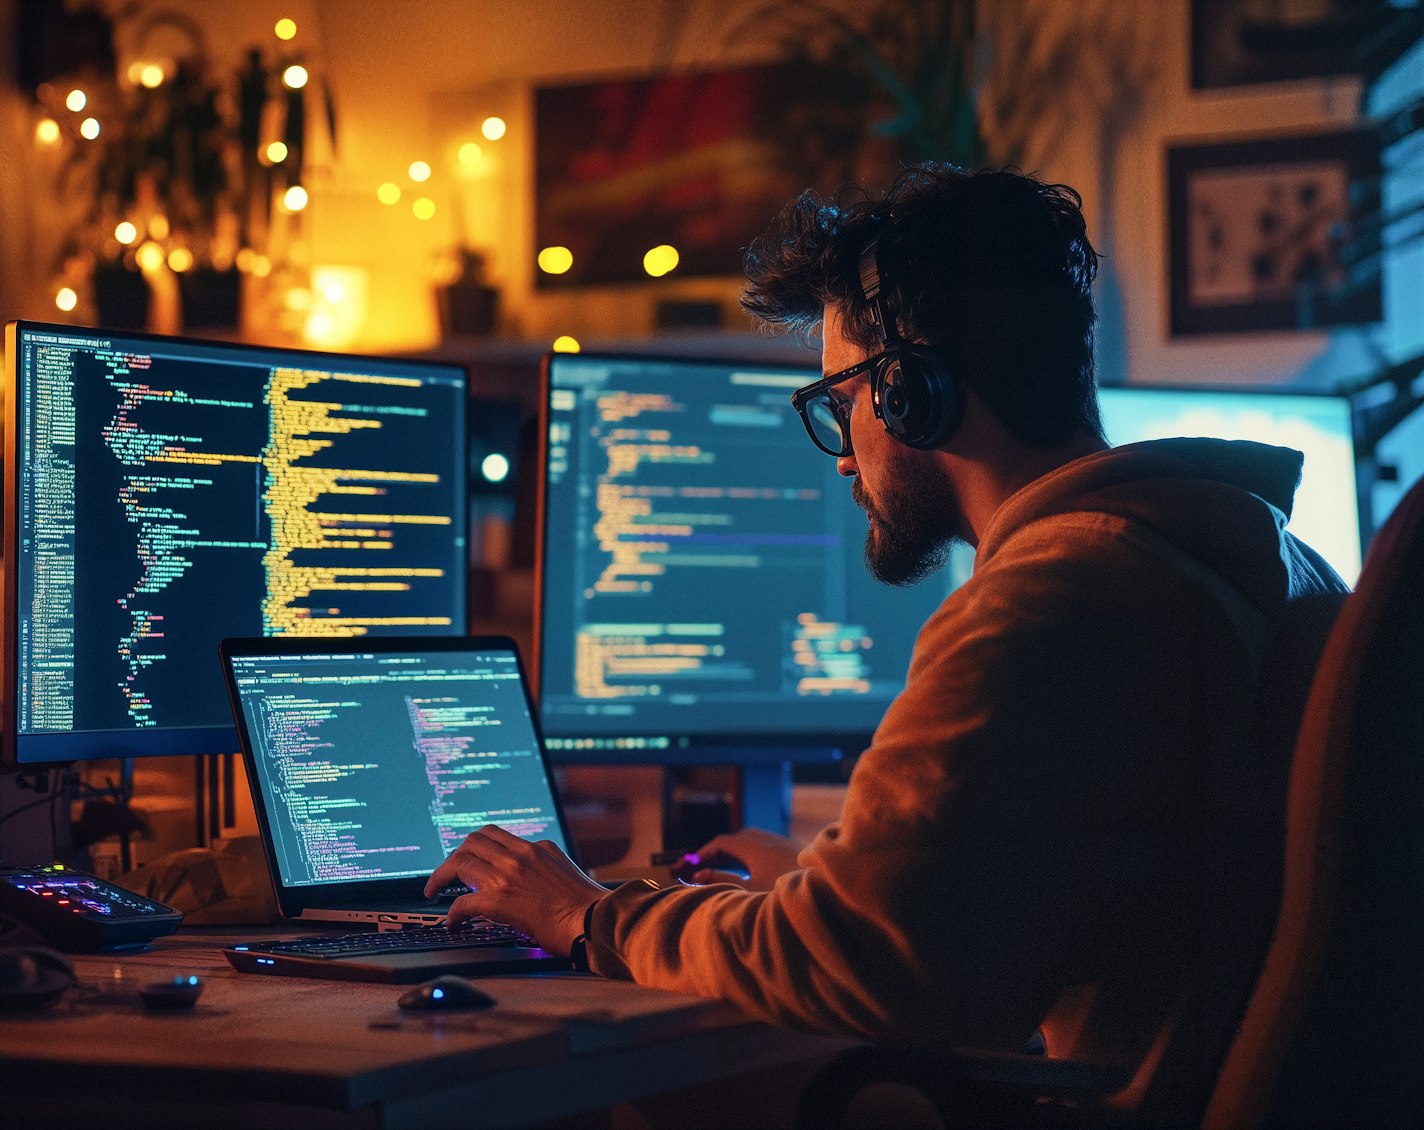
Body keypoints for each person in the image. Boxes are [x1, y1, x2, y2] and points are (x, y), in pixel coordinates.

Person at [425, 164, 1346, 1061]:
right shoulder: (1256, 555)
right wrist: (813, 885)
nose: (841, 458)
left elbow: (859, 969)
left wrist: (586, 912)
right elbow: (1002, 903)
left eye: (841, 402)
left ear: (909, 390)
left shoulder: (1045, 607)